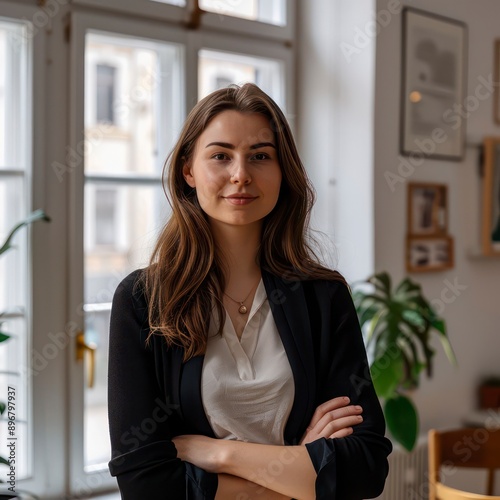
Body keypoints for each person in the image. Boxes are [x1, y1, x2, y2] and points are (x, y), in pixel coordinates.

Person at [107, 83, 392, 499]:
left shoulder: (324, 297)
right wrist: (300, 464)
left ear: (282, 171)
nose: (241, 174)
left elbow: (366, 467)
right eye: (220, 156)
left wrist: (218, 455)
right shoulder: (143, 300)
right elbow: (146, 485)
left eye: (260, 156)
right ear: (188, 170)